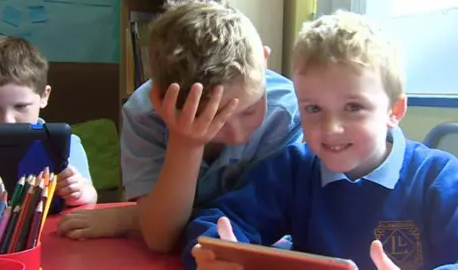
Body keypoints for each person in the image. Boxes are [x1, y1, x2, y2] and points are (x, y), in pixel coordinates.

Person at [183, 10, 458, 270]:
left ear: (394, 111)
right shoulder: (293, 169)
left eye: (353, 107)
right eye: (314, 109)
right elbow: (216, 223)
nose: (331, 128)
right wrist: (214, 253)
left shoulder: (438, 178)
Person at [56, 0, 301, 253]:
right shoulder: (145, 114)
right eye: (214, 120)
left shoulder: (289, 112)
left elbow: (275, 220)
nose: (238, 135)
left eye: (249, 110)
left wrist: (134, 218)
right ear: (161, 99)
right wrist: (186, 143)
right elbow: (161, 239)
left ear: (264, 61)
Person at [0, 35, 98, 213]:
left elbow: (89, 195)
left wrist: (78, 192)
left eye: (21, 106)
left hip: (46, 232)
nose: (8, 120)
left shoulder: (65, 144)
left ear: (44, 96)